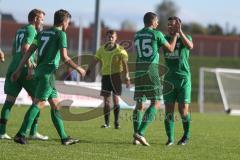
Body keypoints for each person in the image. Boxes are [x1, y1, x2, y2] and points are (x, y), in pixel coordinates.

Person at [11, 9, 86, 145]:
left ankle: (64, 138)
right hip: (48, 74)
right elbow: (64, 57)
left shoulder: (42, 33)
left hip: (40, 72)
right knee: (38, 104)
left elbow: (28, 52)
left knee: (56, 105)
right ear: (64, 22)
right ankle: (21, 134)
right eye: (68, 22)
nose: (68, 25)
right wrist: (78, 68)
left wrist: (18, 69)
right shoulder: (60, 34)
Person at [132, 12, 179, 146]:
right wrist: (175, 36)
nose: (158, 24)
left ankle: (136, 138)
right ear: (152, 22)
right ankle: (140, 133)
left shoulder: (137, 35)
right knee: (156, 103)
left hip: (138, 70)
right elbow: (170, 49)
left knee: (139, 105)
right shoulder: (156, 34)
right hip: (151, 70)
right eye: (157, 21)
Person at [0, 9, 48, 140]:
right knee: (39, 100)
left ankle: (2, 132)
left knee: (9, 101)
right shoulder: (32, 30)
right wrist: (31, 65)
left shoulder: (19, 30)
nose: (43, 22)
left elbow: (14, 49)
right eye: (42, 19)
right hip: (25, 69)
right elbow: (25, 49)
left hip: (13, 67)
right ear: (35, 19)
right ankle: (33, 132)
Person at [86, 30, 130, 129]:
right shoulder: (101, 50)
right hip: (105, 77)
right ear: (106, 38)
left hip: (116, 76)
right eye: (109, 37)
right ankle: (107, 123)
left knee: (115, 99)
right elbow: (95, 60)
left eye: (112, 37)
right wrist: (88, 70)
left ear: (116, 38)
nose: (110, 38)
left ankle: (117, 122)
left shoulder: (120, 50)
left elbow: (124, 64)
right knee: (106, 101)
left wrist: (127, 76)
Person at [163, 16, 193, 146]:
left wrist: (180, 32)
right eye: (168, 24)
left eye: (173, 25)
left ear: (178, 25)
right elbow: (168, 48)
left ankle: (186, 136)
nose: (170, 27)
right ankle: (170, 139)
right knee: (169, 110)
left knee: (183, 111)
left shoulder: (186, 37)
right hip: (169, 80)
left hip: (183, 79)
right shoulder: (164, 39)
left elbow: (190, 46)